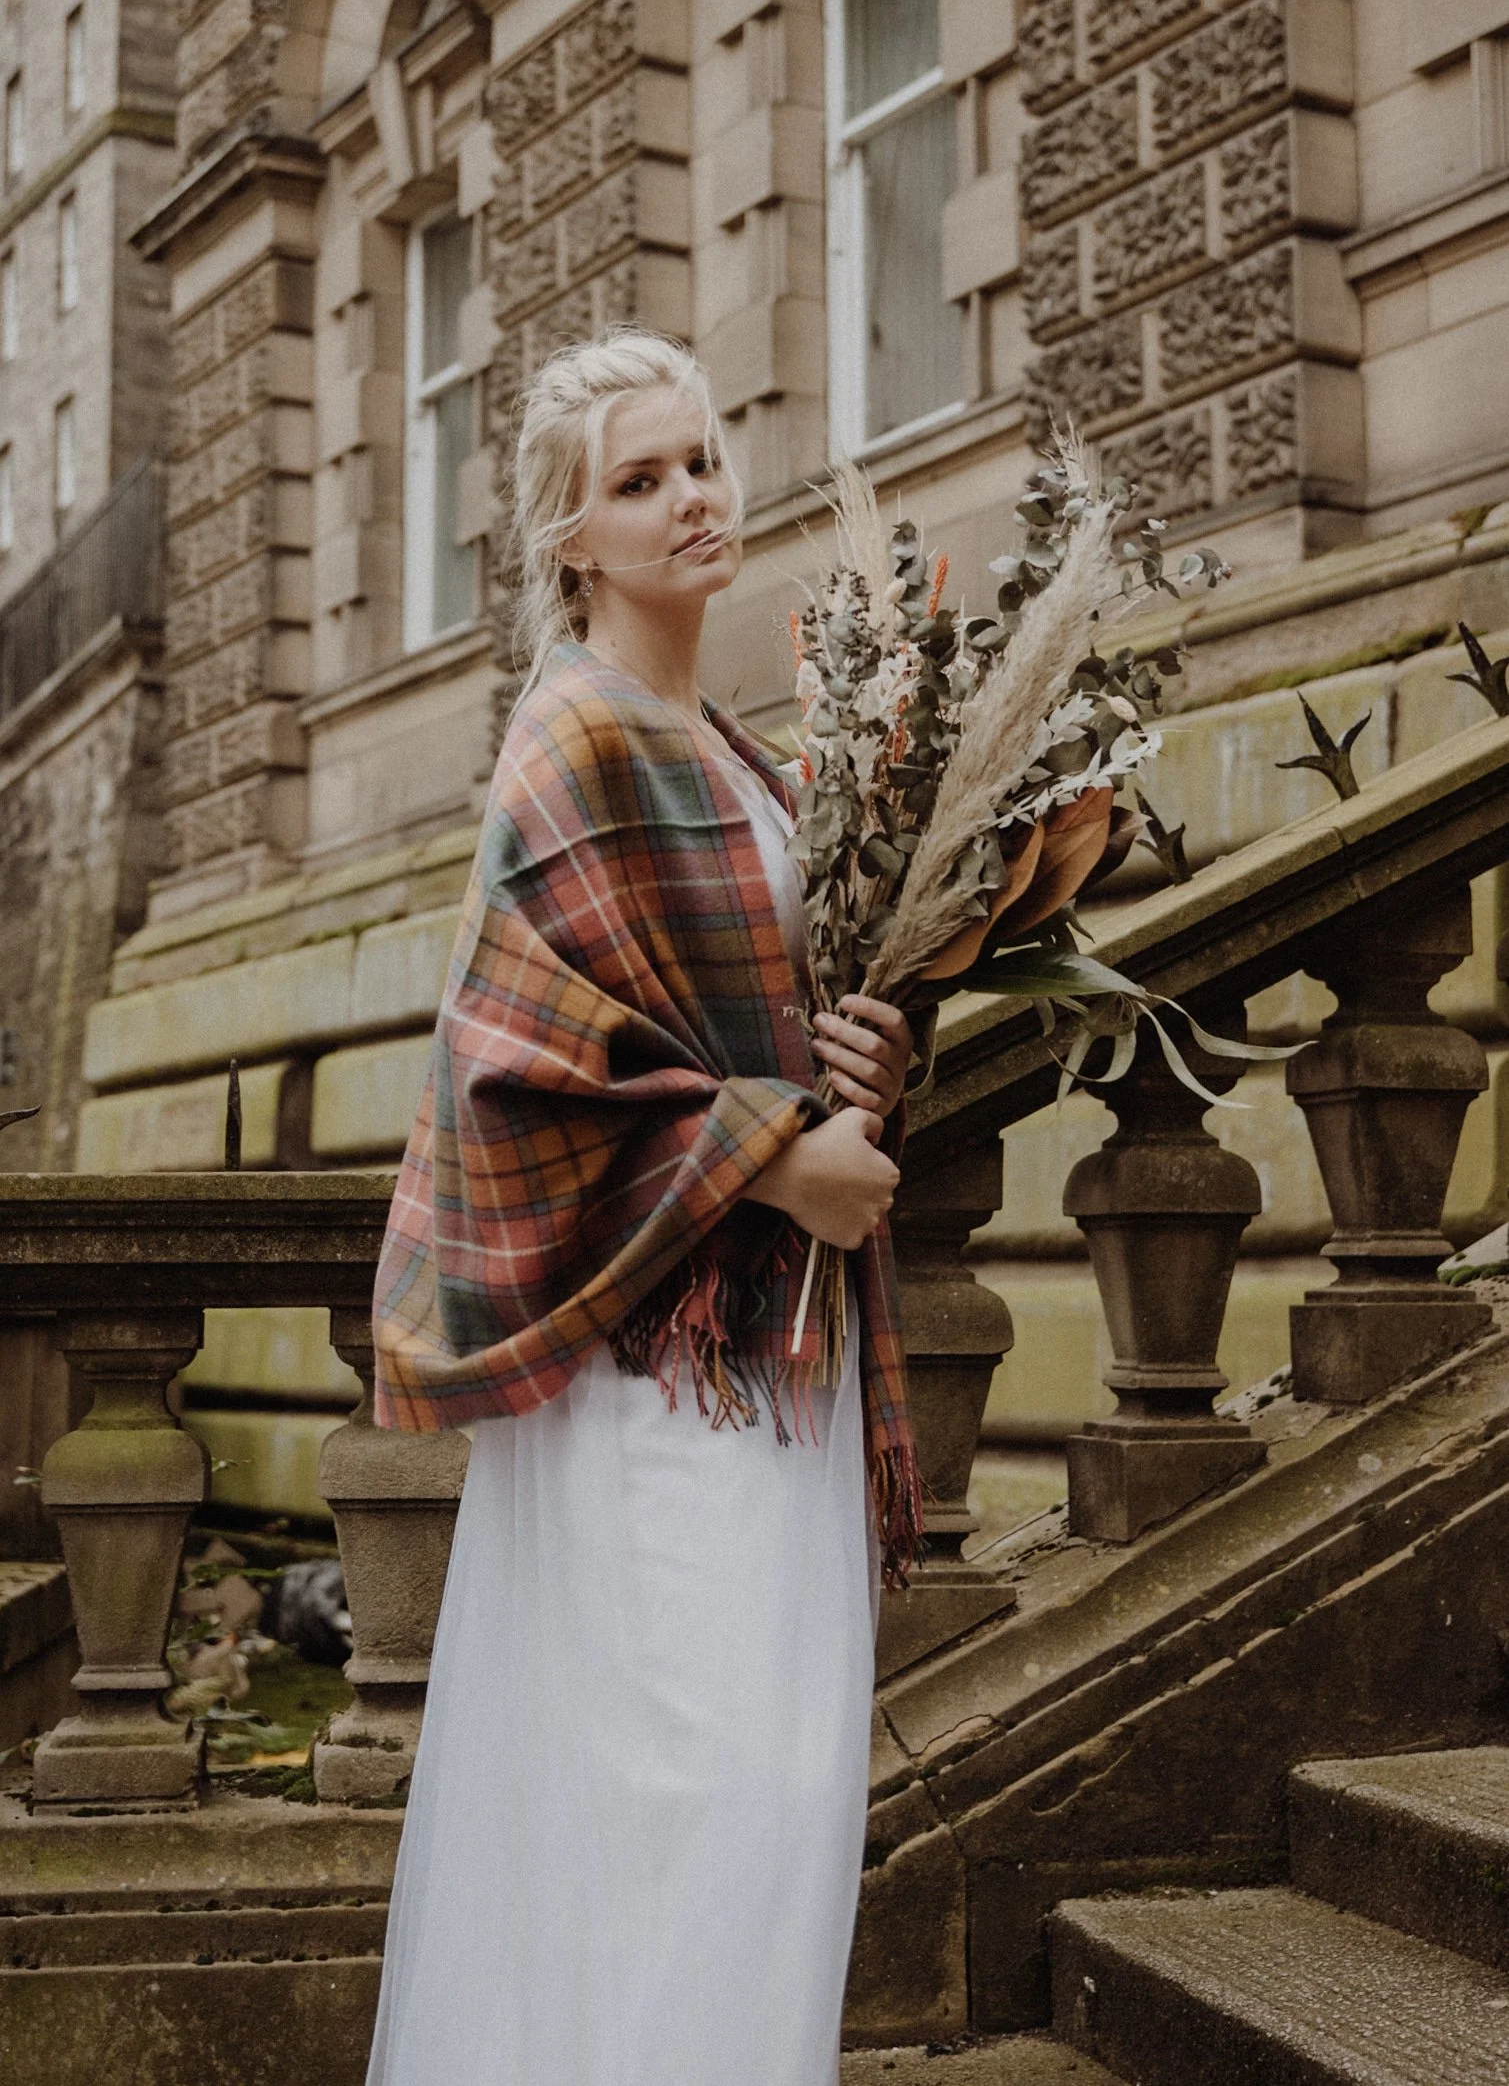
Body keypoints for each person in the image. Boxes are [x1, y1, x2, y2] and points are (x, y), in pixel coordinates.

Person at [364, 325, 926, 2086]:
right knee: (682, 1800)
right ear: (571, 544)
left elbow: (754, 1021)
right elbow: (518, 1068)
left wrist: (871, 1062)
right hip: (654, 1378)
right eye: (639, 479)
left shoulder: (750, 757)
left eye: (699, 459)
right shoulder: (571, 741)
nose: (691, 497)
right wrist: (771, 1150)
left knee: (784, 1794)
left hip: (776, 1364)